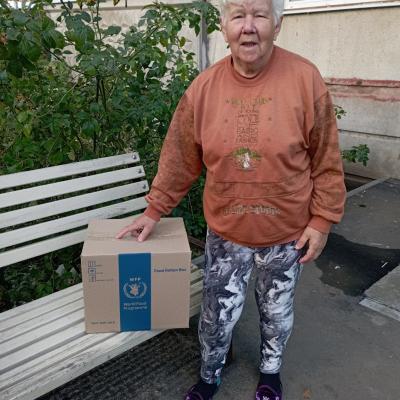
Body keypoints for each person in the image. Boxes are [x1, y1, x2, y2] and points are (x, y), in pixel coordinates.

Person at [116, 0, 346, 398]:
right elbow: (179, 158)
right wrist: (154, 210)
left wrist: (322, 220)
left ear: (277, 25)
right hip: (226, 232)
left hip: (287, 235)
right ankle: (209, 376)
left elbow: (326, 158)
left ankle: (270, 373)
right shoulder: (204, 89)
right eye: (238, 15)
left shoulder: (305, 79)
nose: (248, 26)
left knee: (276, 314)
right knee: (216, 316)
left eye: (260, 15)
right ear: (224, 28)